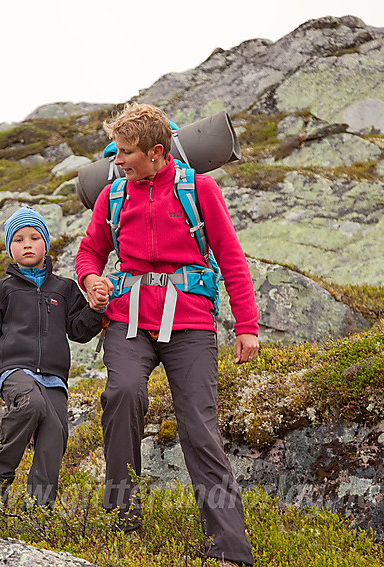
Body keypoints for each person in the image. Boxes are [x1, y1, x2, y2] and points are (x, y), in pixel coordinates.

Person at [75, 103, 259, 566]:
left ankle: (230, 548)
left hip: (191, 321)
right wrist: (90, 281)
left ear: (157, 152)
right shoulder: (112, 195)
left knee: (199, 425)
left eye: (127, 153)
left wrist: (247, 327)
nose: (117, 161)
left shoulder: (200, 188)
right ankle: (120, 518)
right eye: (116, 153)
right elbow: (89, 252)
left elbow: (232, 259)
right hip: (129, 320)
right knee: (122, 394)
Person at [0, 206, 107, 508]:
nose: (27, 244)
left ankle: (40, 510)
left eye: (34, 237)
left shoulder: (65, 288)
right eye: (18, 240)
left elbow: (80, 331)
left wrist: (96, 308)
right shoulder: (4, 288)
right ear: (10, 248)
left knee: (55, 436)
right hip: (14, 370)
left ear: (46, 243)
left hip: (54, 378)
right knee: (31, 404)